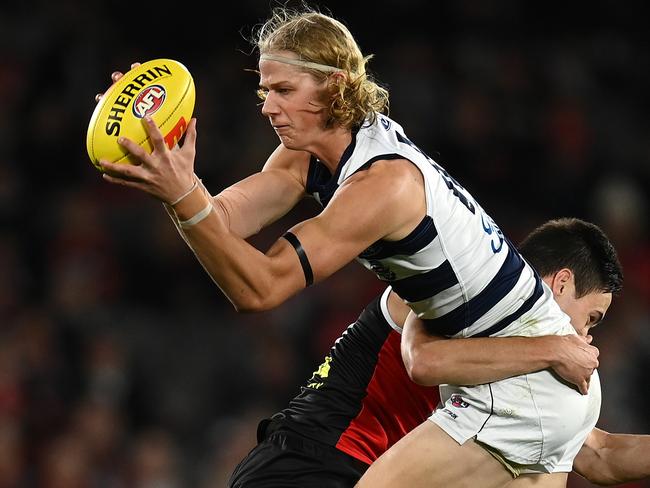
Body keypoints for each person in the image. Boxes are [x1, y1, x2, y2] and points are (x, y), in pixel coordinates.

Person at [97, 5, 616, 486]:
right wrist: (160, 156)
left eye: (283, 90)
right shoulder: (317, 152)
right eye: (265, 92)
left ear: (333, 86)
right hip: (515, 372)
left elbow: (260, 287)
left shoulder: (382, 184)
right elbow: (222, 219)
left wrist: (181, 193)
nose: (268, 107)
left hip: (526, 380)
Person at [228, 217, 646, 488]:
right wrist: (553, 349)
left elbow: (598, 455)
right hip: (312, 459)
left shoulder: (528, 369)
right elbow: (423, 361)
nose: (585, 335)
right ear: (561, 283)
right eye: (590, 317)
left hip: (364, 472)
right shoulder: (465, 281)